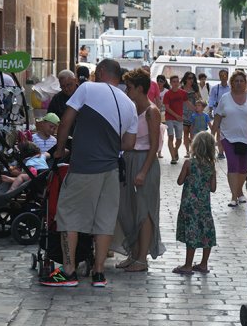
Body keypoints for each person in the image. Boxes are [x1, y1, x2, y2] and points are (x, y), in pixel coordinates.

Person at [40, 59, 138, 288]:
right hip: (112, 169)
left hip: (84, 166)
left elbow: (65, 120)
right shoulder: (129, 104)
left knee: (68, 216)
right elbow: (130, 143)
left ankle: (69, 271)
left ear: (101, 72)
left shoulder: (87, 88)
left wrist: (61, 148)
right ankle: (99, 273)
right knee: (104, 221)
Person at [112, 68, 165, 272]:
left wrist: (143, 171)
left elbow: (154, 145)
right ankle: (133, 254)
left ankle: (142, 259)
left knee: (145, 210)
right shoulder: (133, 109)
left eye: (130, 88)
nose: (127, 91)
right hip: (129, 159)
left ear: (140, 89)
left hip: (145, 161)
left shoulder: (152, 112)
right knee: (127, 209)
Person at [212, 70, 247, 207]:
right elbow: (217, 118)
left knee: (242, 168)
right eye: (236, 81)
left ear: (246, 83)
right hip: (228, 137)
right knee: (233, 165)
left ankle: (240, 192)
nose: (239, 83)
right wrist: (211, 137)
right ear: (232, 83)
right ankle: (234, 196)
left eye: (242, 81)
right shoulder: (225, 98)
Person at [173, 131, 217, 275]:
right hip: (204, 206)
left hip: (189, 205)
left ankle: (188, 265)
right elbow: (213, 188)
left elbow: (179, 181)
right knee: (206, 231)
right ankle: (204, 264)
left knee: (191, 232)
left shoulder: (188, 163)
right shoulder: (211, 166)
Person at [163, 75, 188, 165]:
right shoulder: (167, 94)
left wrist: (195, 109)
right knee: (170, 137)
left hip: (179, 119)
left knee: (179, 139)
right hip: (170, 118)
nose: (176, 83)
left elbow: (187, 103)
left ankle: (175, 150)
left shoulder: (183, 93)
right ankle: (173, 158)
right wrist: (176, 116)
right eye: (174, 81)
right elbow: (167, 107)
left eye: (177, 81)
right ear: (170, 83)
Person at [208, 69, 231, 159]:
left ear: (228, 76)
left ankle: (226, 150)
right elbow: (211, 100)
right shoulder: (215, 88)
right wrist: (210, 111)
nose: (223, 77)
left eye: (225, 75)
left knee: (227, 133)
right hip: (218, 113)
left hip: (229, 114)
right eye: (221, 75)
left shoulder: (231, 88)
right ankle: (220, 152)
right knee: (219, 132)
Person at [180, 72, 199, 158]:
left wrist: (197, 98)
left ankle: (192, 150)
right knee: (185, 133)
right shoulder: (181, 88)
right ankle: (187, 151)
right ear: (185, 79)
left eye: (192, 78)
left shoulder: (195, 89)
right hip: (183, 113)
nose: (191, 80)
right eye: (189, 78)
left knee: (192, 133)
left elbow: (201, 100)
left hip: (193, 113)